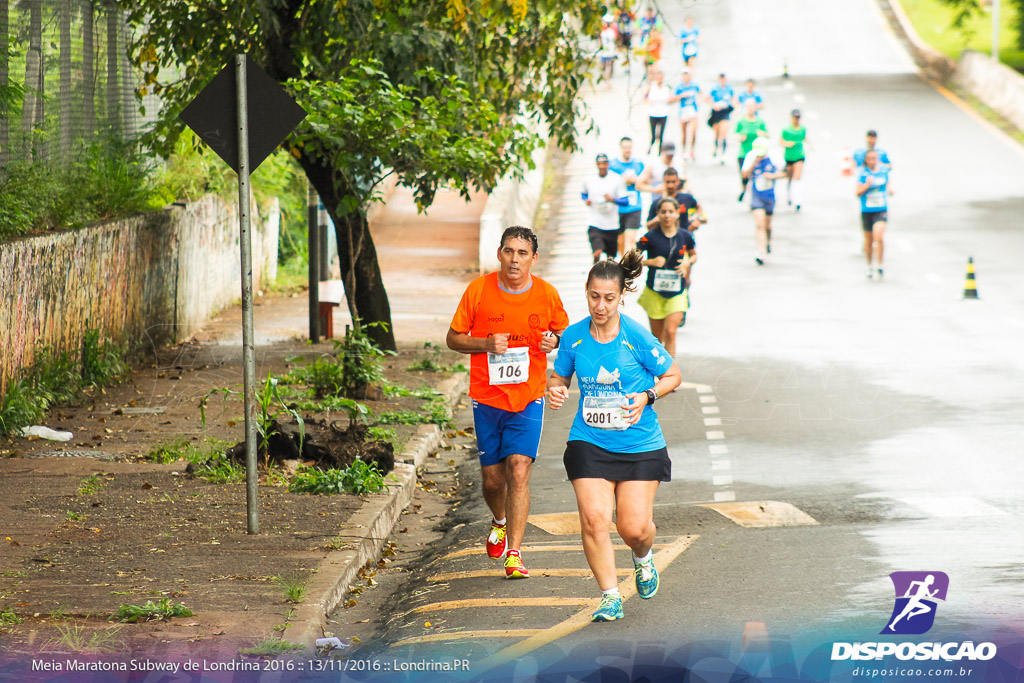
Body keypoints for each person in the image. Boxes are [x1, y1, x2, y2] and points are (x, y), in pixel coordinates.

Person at [546, 252, 682, 622]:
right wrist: (555, 389)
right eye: (594, 296)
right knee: (593, 519)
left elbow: (672, 375)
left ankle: (643, 557)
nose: (600, 305)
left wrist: (647, 395)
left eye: (608, 298)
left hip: (639, 445)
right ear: (586, 293)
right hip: (589, 441)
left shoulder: (635, 335)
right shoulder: (573, 337)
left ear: (621, 296)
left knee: (633, 528)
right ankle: (609, 596)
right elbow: (559, 377)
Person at [447, 226, 569, 580]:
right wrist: (486, 344)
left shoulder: (546, 294)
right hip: (487, 397)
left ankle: (514, 553)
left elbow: (562, 331)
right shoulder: (478, 290)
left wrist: (553, 341)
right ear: (500, 253)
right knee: (492, 480)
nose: (515, 260)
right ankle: (498, 520)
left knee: (518, 467)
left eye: (522, 253)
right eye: (509, 252)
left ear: (534, 258)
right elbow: (453, 338)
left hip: (528, 396)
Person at [637, 197, 697, 357]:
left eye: (671, 212)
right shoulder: (648, 237)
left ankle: (670, 373)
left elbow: (694, 256)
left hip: (677, 291)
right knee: (657, 338)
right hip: (655, 292)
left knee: (670, 332)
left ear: (677, 214)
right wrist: (650, 261)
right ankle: (659, 370)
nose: (667, 215)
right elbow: (632, 258)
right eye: (663, 212)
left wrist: (687, 263)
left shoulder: (686, 236)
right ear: (658, 214)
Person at [742, 137, 785, 264]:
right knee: (759, 224)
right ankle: (760, 252)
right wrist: (754, 163)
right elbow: (744, 175)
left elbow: (786, 172)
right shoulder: (751, 156)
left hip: (769, 196)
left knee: (767, 225)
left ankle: (768, 242)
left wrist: (774, 176)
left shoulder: (774, 156)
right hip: (756, 195)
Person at [582, 153, 629, 263]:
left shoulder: (616, 179)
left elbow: (625, 201)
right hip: (595, 222)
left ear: (608, 164)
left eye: (604, 163)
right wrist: (586, 200)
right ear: (596, 165)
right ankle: (595, 269)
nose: (602, 166)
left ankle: (608, 277)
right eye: (599, 164)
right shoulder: (589, 179)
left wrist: (612, 199)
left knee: (611, 259)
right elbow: (583, 193)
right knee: (597, 251)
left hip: (611, 224)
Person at [855, 149, 893, 279]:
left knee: (879, 236)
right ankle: (869, 265)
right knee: (869, 240)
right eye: (870, 159)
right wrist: (867, 185)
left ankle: (880, 265)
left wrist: (890, 189)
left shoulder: (883, 171)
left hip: (881, 208)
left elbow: (887, 182)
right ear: (866, 160)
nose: (873, 161)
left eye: (874, 158)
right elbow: (857, 192)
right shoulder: (863, 174)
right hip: (867, 210)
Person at [609, 138, 645, 254]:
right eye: (625, 147)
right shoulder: (613, 165)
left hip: (634, 206)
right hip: (618, 207)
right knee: (620, 240)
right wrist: (622, 180)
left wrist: (636, 180)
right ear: (621, 148)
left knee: (631, 238)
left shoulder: (638, 164)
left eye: (629, 147)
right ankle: (621, 262)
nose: (627, 150)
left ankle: (628, 265)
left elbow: (645, 180)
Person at [644, 167, 704, 233]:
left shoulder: (686, 198)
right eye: (668, 182)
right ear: (663, 181)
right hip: (665, 239)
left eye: (673, 182)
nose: (670, 185)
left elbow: (699, 208)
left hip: (684, 237)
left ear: (678, 181)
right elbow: (648, 226)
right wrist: (659, 218)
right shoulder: (657, 203)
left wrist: (697, 219)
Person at [734, 99, 768, 202]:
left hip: (757, 154)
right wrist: (740, 137)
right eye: (748, 107)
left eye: (752, 106)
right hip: (744, 153)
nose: (750, 109)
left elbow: (767, 135)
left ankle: (754, 197)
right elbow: (735, 134)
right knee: (744, 175)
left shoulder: (760, 122)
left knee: (755, 176)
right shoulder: (741, 121)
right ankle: (744, 189)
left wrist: (762, 134)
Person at [779, 109, 808, 211]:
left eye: (798, 118)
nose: (796, 120)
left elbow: (805, 137)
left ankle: (798, 200)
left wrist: (810, 144)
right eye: (795, 118)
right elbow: (781, 141)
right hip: (789, 157)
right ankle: (790, 195)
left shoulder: (802, 129)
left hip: (799, 156)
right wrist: (788, 144)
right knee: (790, 178)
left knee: (797, 177)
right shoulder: (786, 129)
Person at [707, 73, 736, 163]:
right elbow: (707, 98)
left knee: (724, 133)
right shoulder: (715, 89)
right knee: (717, 134)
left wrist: (734, 107)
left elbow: (734, 99)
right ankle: (716, 146)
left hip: (725, 112)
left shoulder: (729, 88)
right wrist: (713, 105)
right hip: (716, 112)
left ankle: (723, 153)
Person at [673, 68, 700, 161]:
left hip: (693, 110)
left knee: (693, 132)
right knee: (684, 133)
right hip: (683, 110)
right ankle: (684, 151)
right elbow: (673, 99)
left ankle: (692, 150)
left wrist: (699, 100)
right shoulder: (679, 87)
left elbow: (701, 94)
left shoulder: (694, 85)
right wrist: (681, 96)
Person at [643, 70, 672, 154]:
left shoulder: (666, 87)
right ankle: (651, 147)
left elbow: (670, 98)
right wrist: (647, 102)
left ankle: (660, 150)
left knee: (661, 134)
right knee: (653, 134)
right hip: (653, 113)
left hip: (663, 113)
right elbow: (645, 97)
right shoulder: (651, 86)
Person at [599, 16, 619, 83]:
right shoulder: (611, 32)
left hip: (606, 51)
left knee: (605, 65)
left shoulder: (603, 32)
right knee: (608, 66)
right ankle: (607, 79)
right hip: (609, 51)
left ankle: (606, 79)